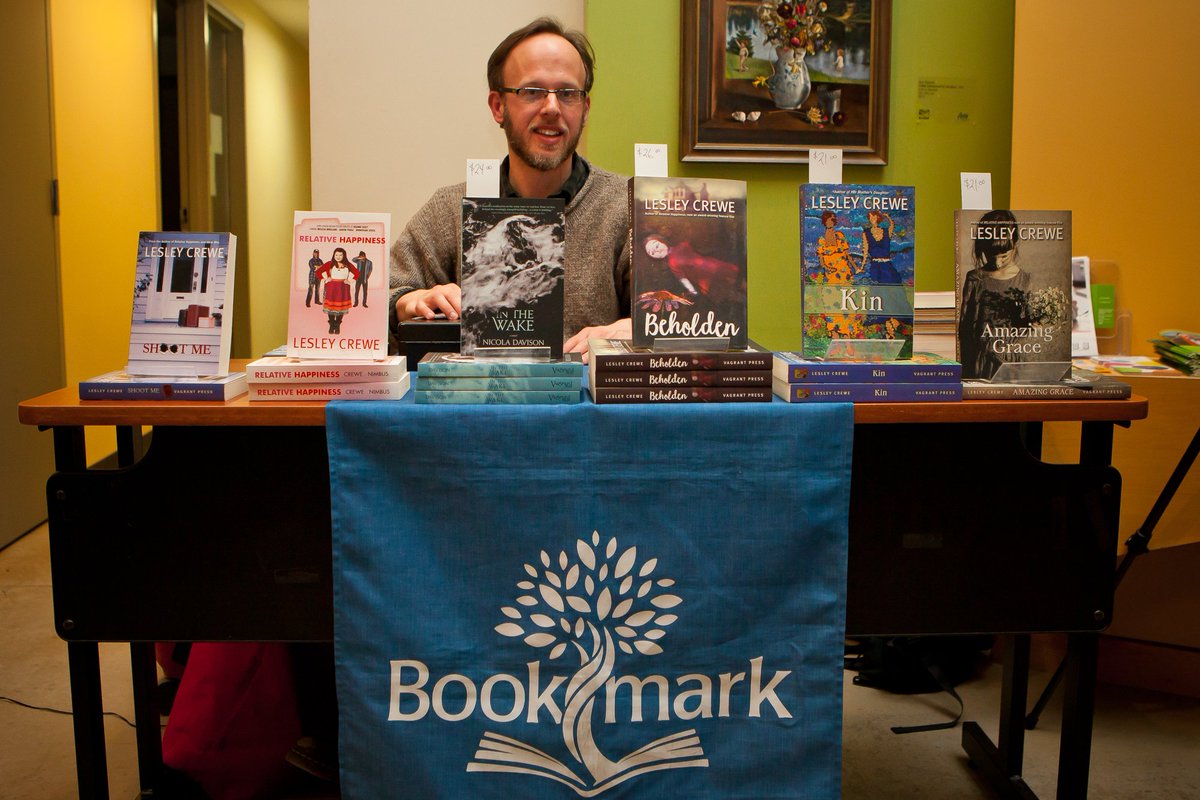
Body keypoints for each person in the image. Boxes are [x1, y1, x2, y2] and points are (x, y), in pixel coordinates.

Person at [388, 16, 631, 359]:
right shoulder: (452, 207)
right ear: (498, 106)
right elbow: (374, 299)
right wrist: (404, 303)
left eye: (567, 93)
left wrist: (641, 328)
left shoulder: (628, 207)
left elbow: (691, 314)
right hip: (480, 408)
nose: (551, 108)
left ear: (585, 109)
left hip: (584, 409)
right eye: (532, 91)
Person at [957, 209, 1032, 380]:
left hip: (1011, 363)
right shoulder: (975, 278)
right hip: (979, 362)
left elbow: (1029, 325)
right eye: (991, 256)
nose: (997, 263)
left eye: (1004, 256)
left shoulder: (1025, 280)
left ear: (1015, 243)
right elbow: (965, 328)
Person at [316, 247, 359, 334]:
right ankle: (332, 325)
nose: (338, 256)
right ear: (333, 255)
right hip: (331, 289)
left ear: (344, 255)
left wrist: (350, 281)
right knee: (330, 308)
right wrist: (324, 280)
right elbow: (318, 272)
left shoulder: (348, 265)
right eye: (336, 255)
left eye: (340, 255)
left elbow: (357, 273)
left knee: (341, 308)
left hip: (343, 289)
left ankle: (337, 325)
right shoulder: (329, 264)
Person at [860, 209, 900, 284]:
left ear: (878, 218)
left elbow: (892, 225)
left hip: (886, 265)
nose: (872, 220)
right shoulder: (866, 233)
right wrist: (862, 267)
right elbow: (865, 251)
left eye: (874, 217)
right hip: (875, 266)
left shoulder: (886, 231)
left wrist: (887, 217)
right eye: (870, 218)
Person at [816, 210, 854, 283]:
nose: (829, 223)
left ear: (834, 222)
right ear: (825, 222)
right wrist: (827, 268)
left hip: (844, 269)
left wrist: (855, 267)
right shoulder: (822, 239)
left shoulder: (840, 235)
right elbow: (821, 260)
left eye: (831, 220)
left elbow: (847, 254)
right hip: (831, 272)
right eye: (827, 220)